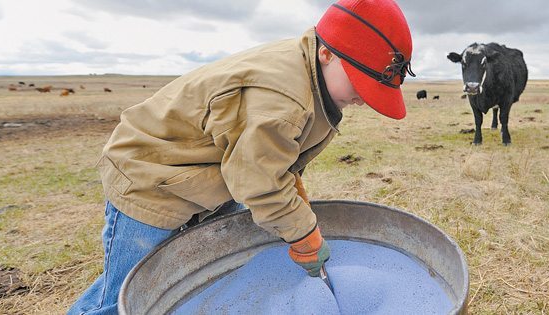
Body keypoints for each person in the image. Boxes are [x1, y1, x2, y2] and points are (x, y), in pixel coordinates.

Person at [68, 0, 414, 313]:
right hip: (149, 178)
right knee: (127, 292)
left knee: (216, 265)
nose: (366, 99)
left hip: (211, 176)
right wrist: (306, 236)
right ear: (328, 54)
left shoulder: (310, 71)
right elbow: (260, 182)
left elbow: (274, 160)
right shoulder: (279, 100)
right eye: (362, 85)